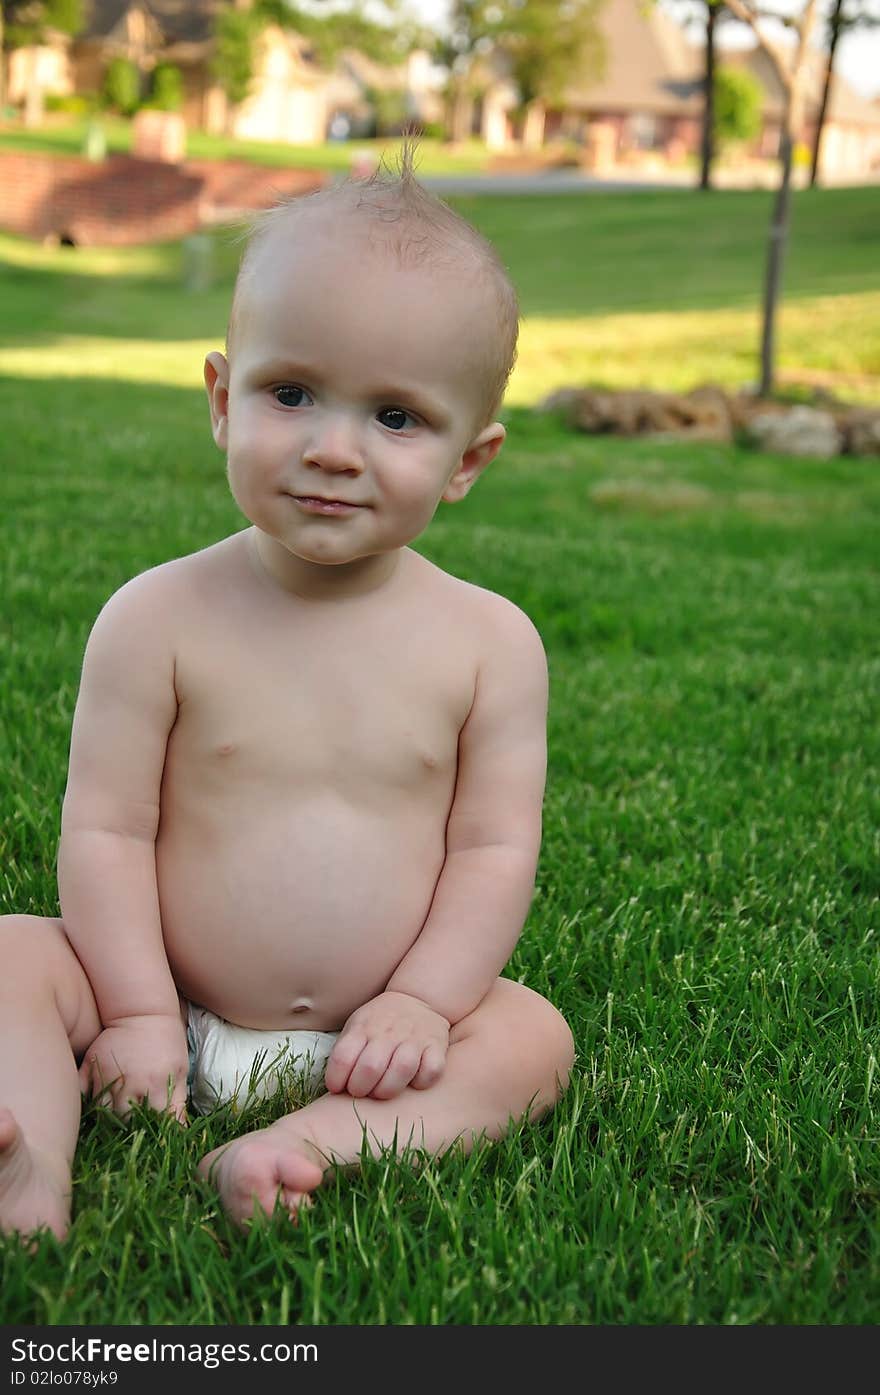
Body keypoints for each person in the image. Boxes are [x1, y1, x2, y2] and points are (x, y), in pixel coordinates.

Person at [0, 144, 574, 1239]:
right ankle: (29, 1172)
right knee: (10, 955)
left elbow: (491, 851)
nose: (331, 449)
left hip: (379, 1034)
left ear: (469, 459)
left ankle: (302, 1144)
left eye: (395, 419)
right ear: (223, 398)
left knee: (531, 1036)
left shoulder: (489, 644)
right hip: (169, 999)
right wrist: (132, 1010)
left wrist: (422, 1002)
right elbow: (109, 829)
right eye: (291, 392)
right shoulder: (155, 618)